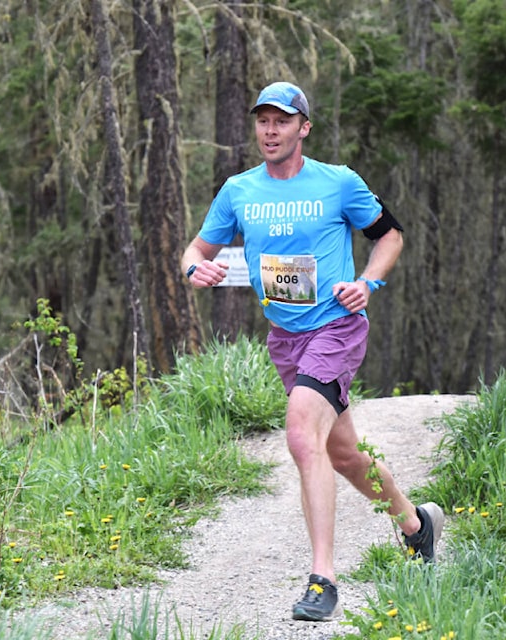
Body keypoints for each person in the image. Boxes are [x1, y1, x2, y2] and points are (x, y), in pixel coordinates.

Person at [180, 81, 444, 622]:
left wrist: (367, 283)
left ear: (304, 127)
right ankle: (417, 526)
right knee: (342, 454)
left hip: (336, 327)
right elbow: (197, 248)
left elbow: (390, 236)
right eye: (263, 121)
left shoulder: (338, 183)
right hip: (285, 337)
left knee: (303, 433)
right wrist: (194, 268)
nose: (270, 131)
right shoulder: (239, 191)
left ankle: (323, 579)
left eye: (282, 121)